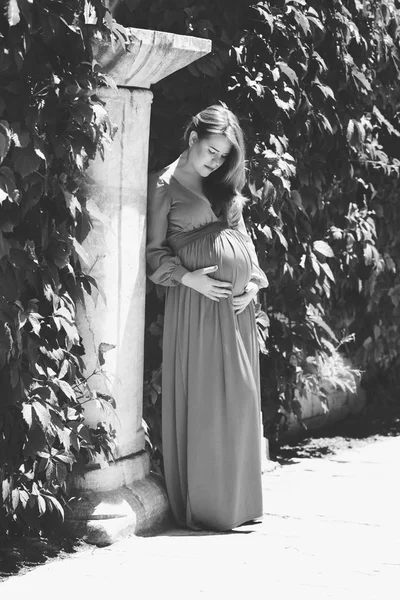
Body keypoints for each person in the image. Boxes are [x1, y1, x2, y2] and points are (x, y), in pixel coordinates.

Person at [146, 104, 268, 531]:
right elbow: (155, 253)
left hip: (236, 306)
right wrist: (190, 281)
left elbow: (242, 239)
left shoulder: (221, 184)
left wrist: (252, 282)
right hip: (194, 304)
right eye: (211, 151)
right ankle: (212, 507)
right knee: (206, 400)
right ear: (192, 137)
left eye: (223, 156)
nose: (215, 161)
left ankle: (240, 502)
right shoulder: (163, 185)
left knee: (239, 398)